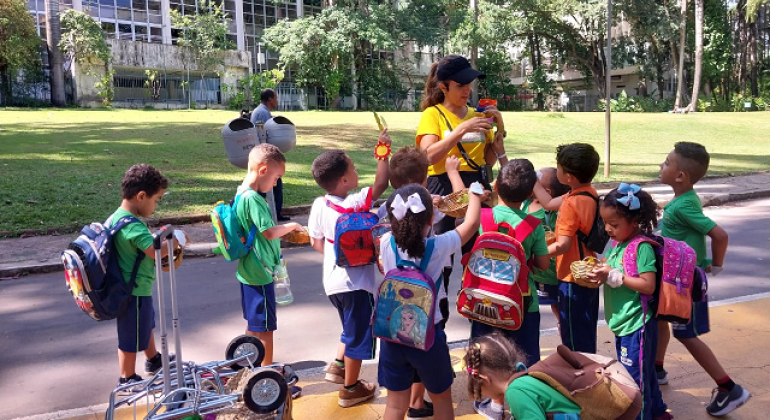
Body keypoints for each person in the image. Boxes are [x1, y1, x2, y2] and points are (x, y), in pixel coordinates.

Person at [656, 142, 750, 416]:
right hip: (677, 280)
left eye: (666, 162)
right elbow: (692, 237)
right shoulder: (685, 200)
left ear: (680, 176)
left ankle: (728, 388)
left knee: (687, 335)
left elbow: (718, 234)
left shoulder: (681, 207)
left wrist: (715, 265)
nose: (661, 166)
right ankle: (657, 367)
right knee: (661, 319)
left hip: (685, 284)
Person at [378, 183, 484, 420]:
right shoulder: (437, 246)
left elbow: (410, 226)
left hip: (392, 334)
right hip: (427, 336)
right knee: (441, 399)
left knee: (395, 405)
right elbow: (471, 224)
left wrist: (428, 208)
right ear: (430, 221)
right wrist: (474, 194)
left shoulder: (386, 242)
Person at [416, 54, 504, 325]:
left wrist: (499, 128)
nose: (467, 91)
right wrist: (460, 130)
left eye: (470, 85)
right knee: (441, 259)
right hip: (442, 186)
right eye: (460, 85)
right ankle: (435, 323)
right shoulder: (433, 115)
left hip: (478, 186)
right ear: (443, 87)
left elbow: (488, 159)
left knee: (481, 255)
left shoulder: (479, 116)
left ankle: (484, 318)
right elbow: (427, 156)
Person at [307, 129, 392, 408]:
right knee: (357, 335)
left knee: (349, 328)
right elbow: (381, 183)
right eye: (354, 169)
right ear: (344, 180)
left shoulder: (319, 205)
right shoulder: (354, 203)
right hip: (357, 284)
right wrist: (383, 150)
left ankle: (338, 366)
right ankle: (351, 389)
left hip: (332, 283)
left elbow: (315, 241)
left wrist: (338, 255)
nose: (357, 172)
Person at [469, 159, 551, 420]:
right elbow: (542, 264)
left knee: (486, 353)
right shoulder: (533, 226)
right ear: (529, 194)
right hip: (521, 304)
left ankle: (491, 406)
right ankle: (521, 406)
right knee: (523, 357)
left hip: (483, 301)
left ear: (495, 186)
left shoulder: (481, 218)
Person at [586, 184, 671, 420]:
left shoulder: (641, 247)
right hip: (623, 323)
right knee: (644, 374)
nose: (608, 229)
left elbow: (648, 285)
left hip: (638, 325)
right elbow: (610, 271)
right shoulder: (616, 245)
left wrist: (615, 276)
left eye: (614, 225)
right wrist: (599, 274)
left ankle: (641, 415)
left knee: (635, 380)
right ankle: (658, 412)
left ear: (634, 221)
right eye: (605, 223)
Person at [234, 143, 305, 397]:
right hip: (260, 273)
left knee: (254, 326)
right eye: (275, 178)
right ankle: (268, 380)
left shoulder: (241, 192)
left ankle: (246, 370)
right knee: (266, 329)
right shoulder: (254, 199)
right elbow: (269, 231)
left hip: (248, 271)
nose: (275, 184)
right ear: (263, 170)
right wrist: (293, 226)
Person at [111, 164, 182, 388]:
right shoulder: (133, 227)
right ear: (141, 196)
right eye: (157, 199)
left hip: (132, 287)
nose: (156, 205)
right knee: (130, 335)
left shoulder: (118, 217)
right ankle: (126, 377)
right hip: (133, 290)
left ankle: (153, 359)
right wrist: (177, 238)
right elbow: (155, 250)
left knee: (145, 324)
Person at [532, 143, 602, 354]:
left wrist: (535, 256)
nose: (556, 169)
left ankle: (580, 379)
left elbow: (562, 245)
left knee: (573, 339)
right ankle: (588, 373)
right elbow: (547, 203)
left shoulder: (570, 204)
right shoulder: (587, 193)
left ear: (569, 176)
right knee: (586, 332)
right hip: (588, 271)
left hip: (572, 278)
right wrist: (533, 179)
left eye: (559, 167)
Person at [464, 333, 581, 420]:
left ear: (485, 380)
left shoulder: (515, 392)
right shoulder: (524, 378)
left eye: (479, 387)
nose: (483, 394)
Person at [523, 167, 569, 327]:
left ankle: (563, 327)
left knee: (557, 305)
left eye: (537, 179)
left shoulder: (553, 212)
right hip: (530, 272)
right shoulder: (525, 202)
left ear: (546, 190)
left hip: (550, 272)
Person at [251, 88, 290, 222]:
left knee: (268, 184)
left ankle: (275, 211)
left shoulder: (262, 112)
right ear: (269, 99)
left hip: (263, 153)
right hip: (264, 155)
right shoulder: (262, 113)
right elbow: (262, 133)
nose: (277, 100)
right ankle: (275, 213)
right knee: (272, 184)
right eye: (275, 98)